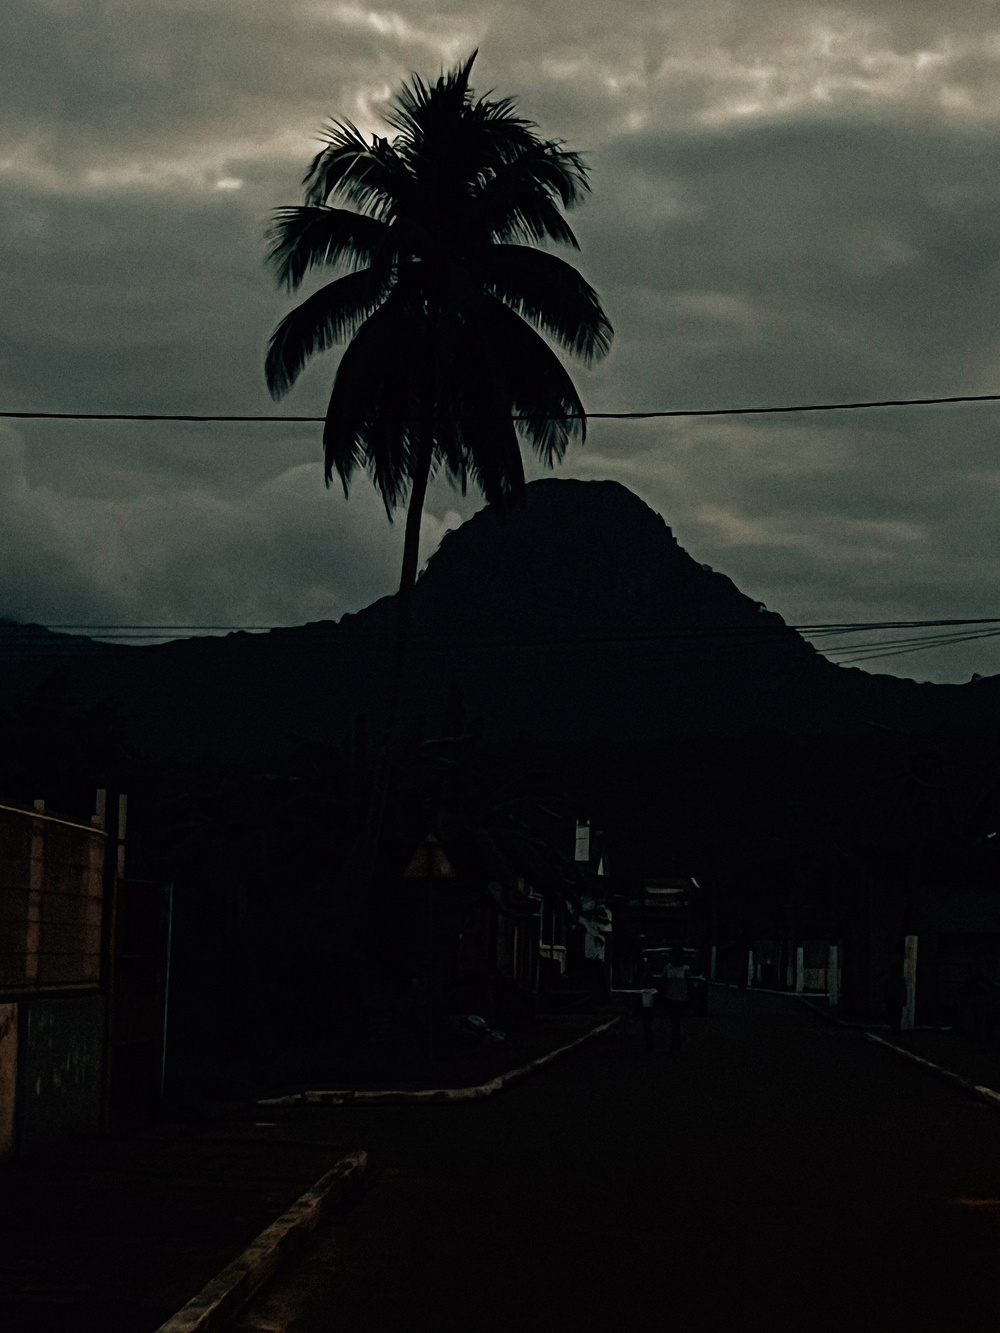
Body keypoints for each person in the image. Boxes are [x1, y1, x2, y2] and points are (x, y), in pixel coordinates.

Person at [663, 947, 692, 1054]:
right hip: (671, 998)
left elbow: (689, 985)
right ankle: (676, 1043)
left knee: (676, 1022)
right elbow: (664, 984)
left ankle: (675, 1043)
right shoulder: (667, 968)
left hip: (681, 999)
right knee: (674, 1022)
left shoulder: (686, 969)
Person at [636, 962, 658, 1051]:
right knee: (647, 1026)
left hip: (647, 1004)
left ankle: (649, 1045)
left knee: (647, 1026)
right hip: (647, 1004)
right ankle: (649, 1044)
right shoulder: (650, 983)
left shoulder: (646, 980)